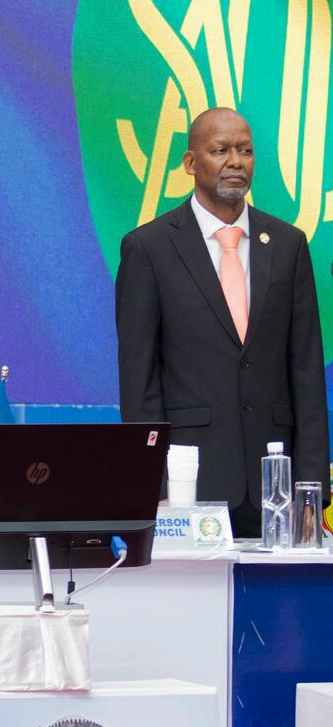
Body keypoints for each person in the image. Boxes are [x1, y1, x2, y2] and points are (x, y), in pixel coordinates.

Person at [116, 107, 328, 538]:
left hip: (277, 490)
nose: (236, 161)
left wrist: (312, 491)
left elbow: (306, 374)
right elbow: (140, 384)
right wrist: (150, 483)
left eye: (245, 151)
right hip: (187, 488)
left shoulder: (288, 245)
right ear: (191, 163)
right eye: (221, 150)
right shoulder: (149, 248)